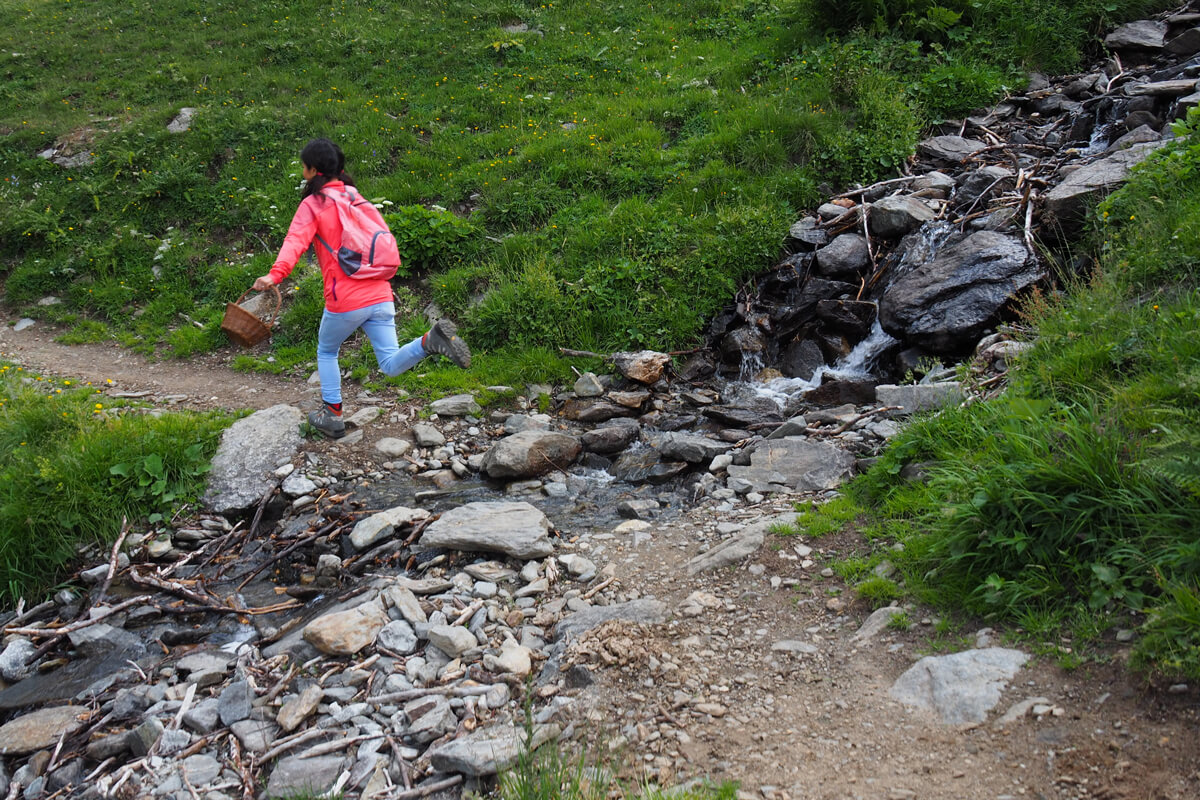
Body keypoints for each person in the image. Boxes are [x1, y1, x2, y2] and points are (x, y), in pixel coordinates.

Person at [253, 137, 470, 439]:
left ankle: (332, 414)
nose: (302, 171)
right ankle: (428, 341)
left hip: (347, 299)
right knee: (390, 364)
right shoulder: (356, 198)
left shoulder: (314, 204)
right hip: (380, 293)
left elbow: (294, 243)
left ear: (313, 170)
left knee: (327, 351)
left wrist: (274, 276)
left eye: (303, 166)